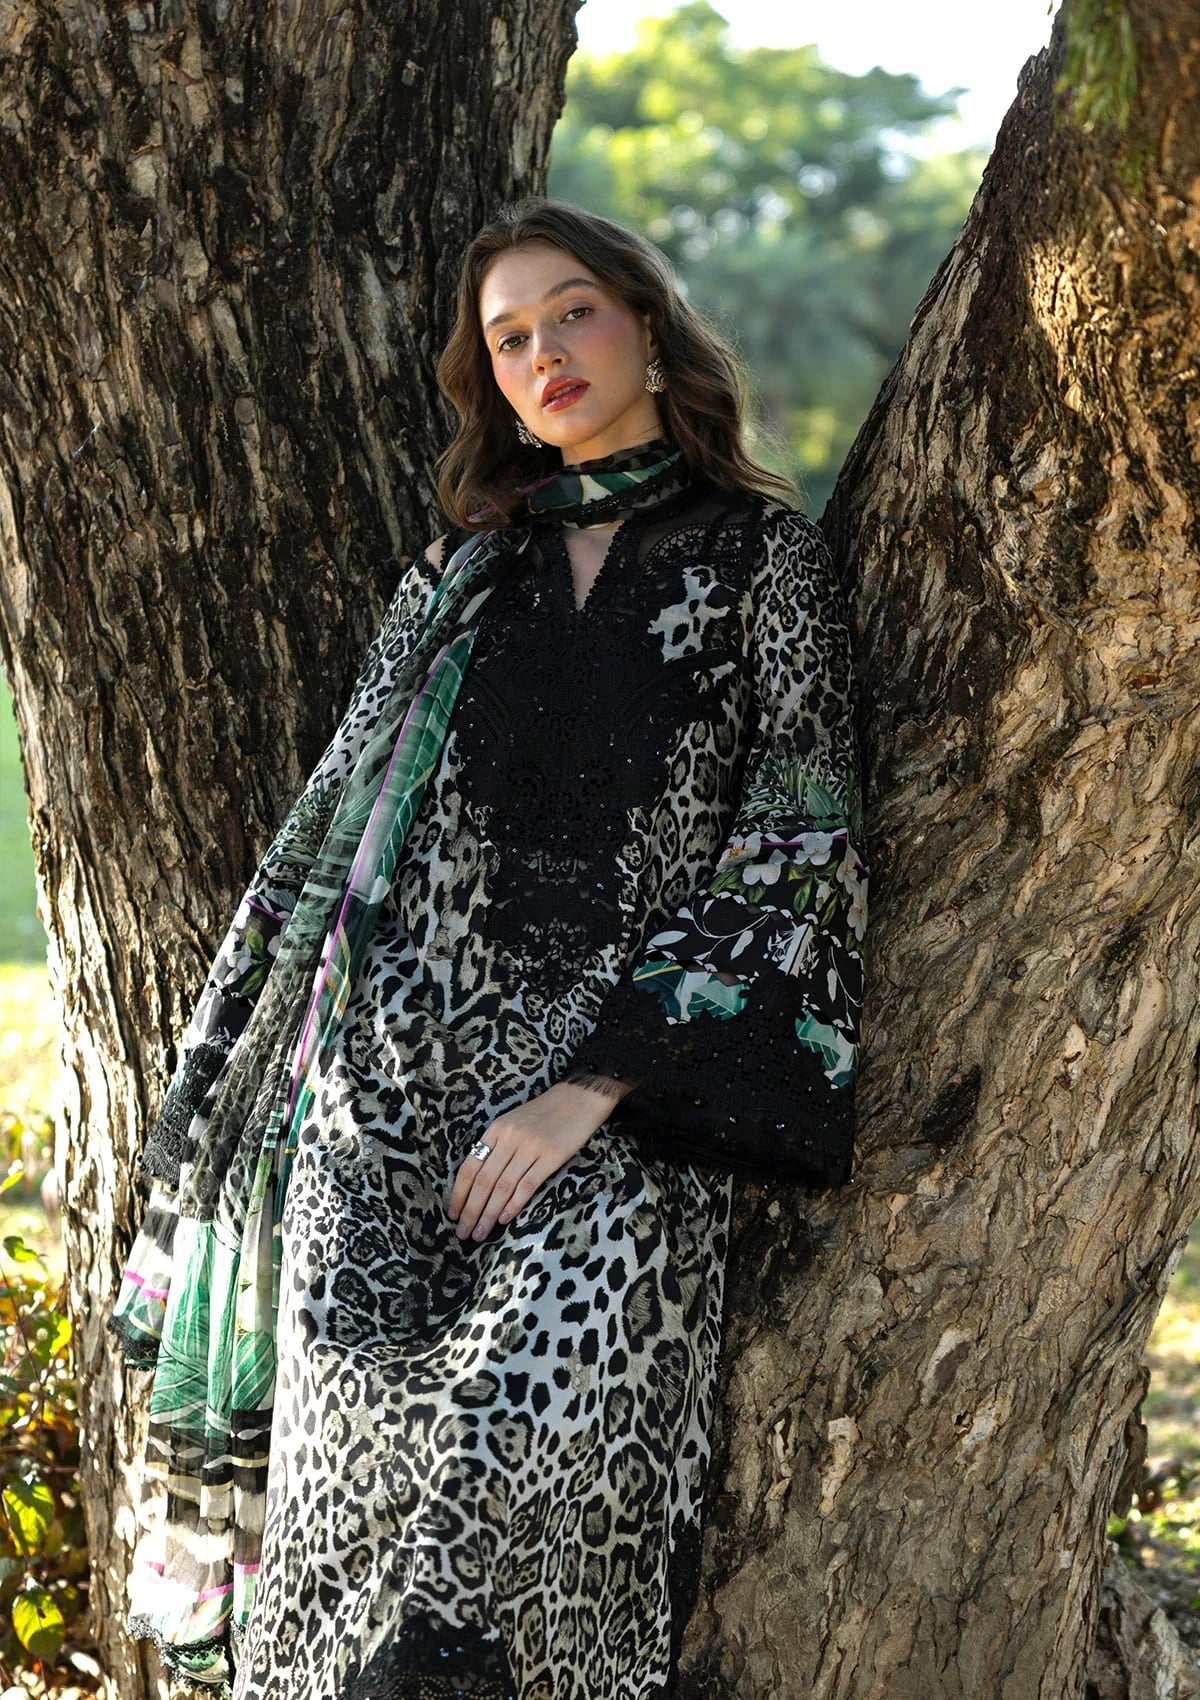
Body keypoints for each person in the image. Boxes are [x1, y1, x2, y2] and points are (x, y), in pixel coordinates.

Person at [105, 197, 867, 1700]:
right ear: (497, 388)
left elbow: (800, 836)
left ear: (649, 327)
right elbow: (337, 830)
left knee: (502, 1469)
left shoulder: (762, 562)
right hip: (382, 1097)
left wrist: (598, 1086)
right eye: (509, 340)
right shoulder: (463, 575)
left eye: (572, 312)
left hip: (616, 1097)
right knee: (343, 1520)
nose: (545, 354)